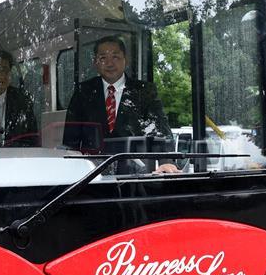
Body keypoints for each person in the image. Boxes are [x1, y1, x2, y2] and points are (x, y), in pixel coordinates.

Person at [63, 36, 179, 173]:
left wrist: (166, 162)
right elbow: (71, 139)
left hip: (136, 176)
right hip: (92, 175)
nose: (110, 63)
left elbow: (160, 129)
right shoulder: (83, 92)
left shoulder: (144, 91)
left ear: (126, 60)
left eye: (115, 57)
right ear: (95, 62)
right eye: (103, 58)